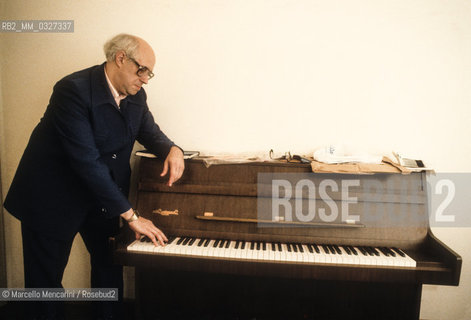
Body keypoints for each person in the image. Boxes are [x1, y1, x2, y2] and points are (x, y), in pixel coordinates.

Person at [3, 33, 184, 320]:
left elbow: (149, 131)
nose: (146, 79)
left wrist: (172, 149)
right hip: (51, 197)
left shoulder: (137, 95)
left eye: (150, 73)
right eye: (142, 70)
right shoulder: (72, 90)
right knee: (44, 287)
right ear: (120, 58)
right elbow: (86, 161)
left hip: (101, 197)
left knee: (108, 269)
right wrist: (132, 217)